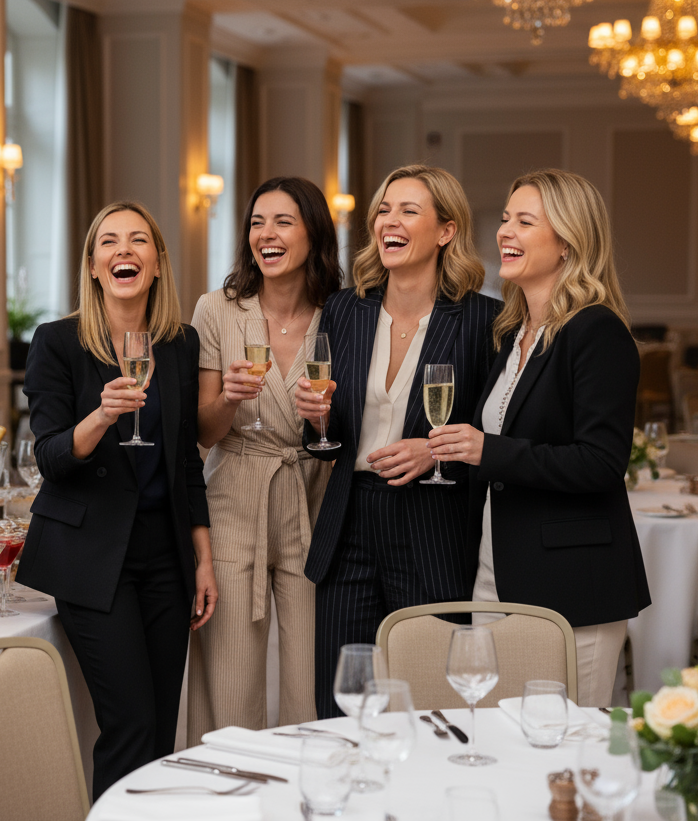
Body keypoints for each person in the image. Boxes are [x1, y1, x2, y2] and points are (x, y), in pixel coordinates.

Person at [428, 169, 650, 707]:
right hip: (496, 570)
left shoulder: (597, 330)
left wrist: (488, 450)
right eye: (506, 219)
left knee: (569, 753)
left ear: (569, 243)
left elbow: (600, 463)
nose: (506, 231)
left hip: (572, 587)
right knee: (500, 738)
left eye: (525, 222)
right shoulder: (515, 333)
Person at [19, 201, 217, 798]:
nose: (123, 250)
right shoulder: (56, 343)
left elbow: (187, 461)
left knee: (161, 731)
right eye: (109, 241)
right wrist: (101, 416)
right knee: (130, 724)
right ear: (93, 264)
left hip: (167, 558)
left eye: (138, 241)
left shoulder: (180, 344)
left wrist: (202, 559)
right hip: (92, 556)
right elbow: (50, 457)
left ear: (156, 264)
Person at [294, 165, 499, 719]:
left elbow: (494, 435)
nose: (390, 220)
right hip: (350, 522)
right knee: (344, 697)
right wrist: (315, 420)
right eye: (384, 209)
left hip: (435, 524)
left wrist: (432, 450)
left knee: (431, 695)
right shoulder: (344, 309)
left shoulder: (485, 320)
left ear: (446, 231)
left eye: (409, 210)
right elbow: (328, 435)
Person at [186, 177, 339, 743]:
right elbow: (202, 434)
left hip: (313, 498)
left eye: (282, 222)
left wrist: (325, 417)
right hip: (234, 498)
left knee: (310, 684)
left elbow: (356, 423)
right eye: (256, 222)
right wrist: (227, 397)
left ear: (313, 234)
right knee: (227, 686)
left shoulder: (341, 314)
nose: (266, 235)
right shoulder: (217, 311)